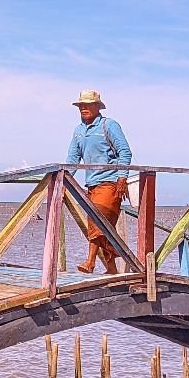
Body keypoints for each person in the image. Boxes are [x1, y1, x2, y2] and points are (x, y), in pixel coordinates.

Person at [65, 90, 132, 275]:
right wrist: (64, 181)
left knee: (98, 222)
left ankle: (90, 262)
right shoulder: (78, 131)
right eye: (81, 106)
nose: (83, 108)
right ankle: (111, 269)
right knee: (103, 228)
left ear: (97, 107)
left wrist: (122, 177)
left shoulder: (108, 125)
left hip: (110, 182)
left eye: (87, 105)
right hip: (92, 184)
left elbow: (125, 152)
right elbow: (73, 158)